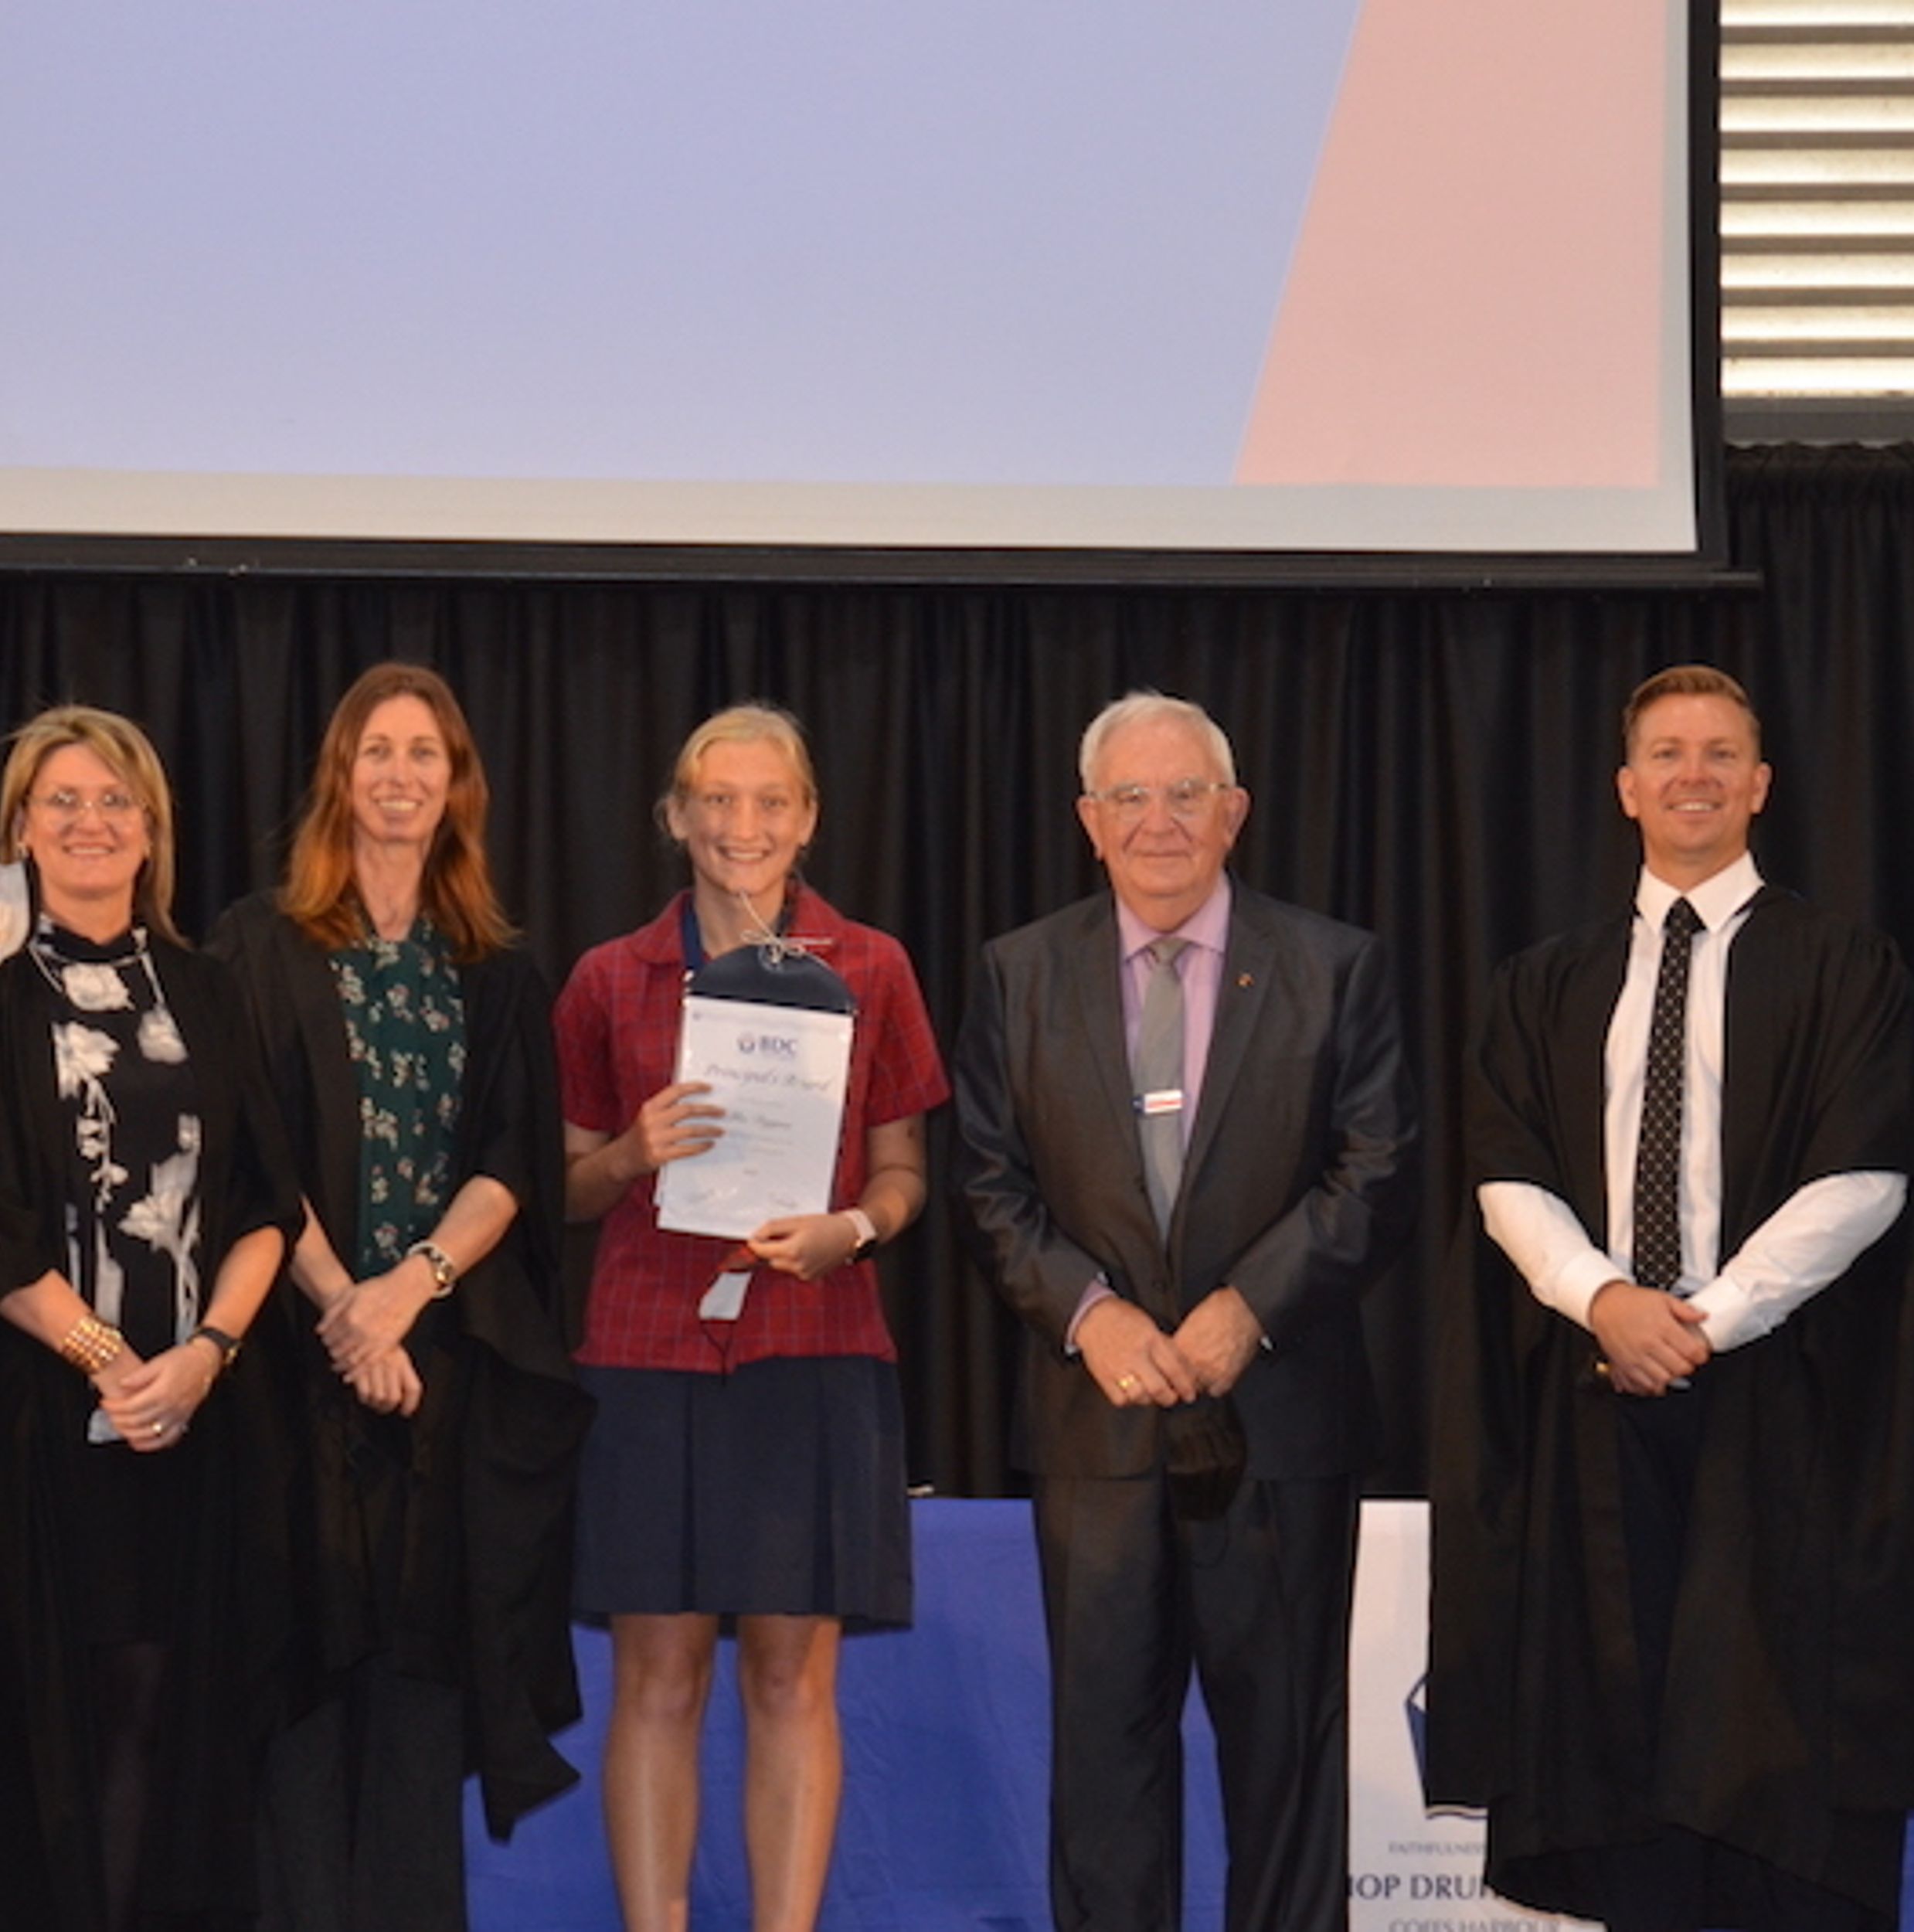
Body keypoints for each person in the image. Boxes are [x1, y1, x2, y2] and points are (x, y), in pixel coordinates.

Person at [1429, 664, 1914, 1932]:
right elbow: (1506, 1176)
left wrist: (1707, 1318)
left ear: (1760, 785)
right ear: (1625, 788)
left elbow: (1866, 1176)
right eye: (1666, 753)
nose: (1691, 775)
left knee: (1773, 1746)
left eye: (1718, 754)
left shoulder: (1847, 967)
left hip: (1788, 1406)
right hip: (1595, 1403)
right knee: (1620, 1743)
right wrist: (1608, 1300)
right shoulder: (1545, 982)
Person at [953, 690, 1419, 1932]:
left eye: (1185, 794)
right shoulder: (1017, 973)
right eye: (1130, 797)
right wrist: (1092, 1315)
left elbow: (1378, 1171)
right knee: (1104, 1772)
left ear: (1235, 812)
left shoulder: (1336, 966)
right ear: (1088, 821)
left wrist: (1246, 1311)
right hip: (1093, 1431)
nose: (1158, 821)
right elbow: (988, 1186)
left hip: (1280, 1427)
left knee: (1288, 1763)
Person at [552, 702, 949, 1932]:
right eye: (717, 800)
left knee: (790, 1680)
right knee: (657, 1681)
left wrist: (853, 1230)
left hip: (813, 1348)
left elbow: (906, 1172)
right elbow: (558, 1187)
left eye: (771, 801)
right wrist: (631, 1155)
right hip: (646, 1351)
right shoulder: (608, 977)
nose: (744, 825)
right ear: (676, 816)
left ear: (809, 817)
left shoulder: (873, 966)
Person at [209, 662, 589, 1932]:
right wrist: (346, 1310)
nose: (400, 774)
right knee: (301, 1679)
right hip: (289, 1366)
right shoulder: (257, 944)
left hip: (443, 1372)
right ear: (340, 773)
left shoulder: (496, 967)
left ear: (458, 784)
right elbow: (251, 1151)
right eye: (377, 749)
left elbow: (513, 1165)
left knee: (423, 1682)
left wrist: (408, 1292)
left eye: (426, 752)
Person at [0, 705, 298, 1932]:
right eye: (62, 801)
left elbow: (267, 1204)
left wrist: (205, 1357)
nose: (91, 822)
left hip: (190, 1425)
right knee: (44, 1718)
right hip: (38, 1424)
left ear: (152, 830)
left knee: (160, 1714)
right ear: (19, 831)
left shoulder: (208, 990)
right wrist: (113, 1365)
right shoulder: (0, 996)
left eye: (115, 800)